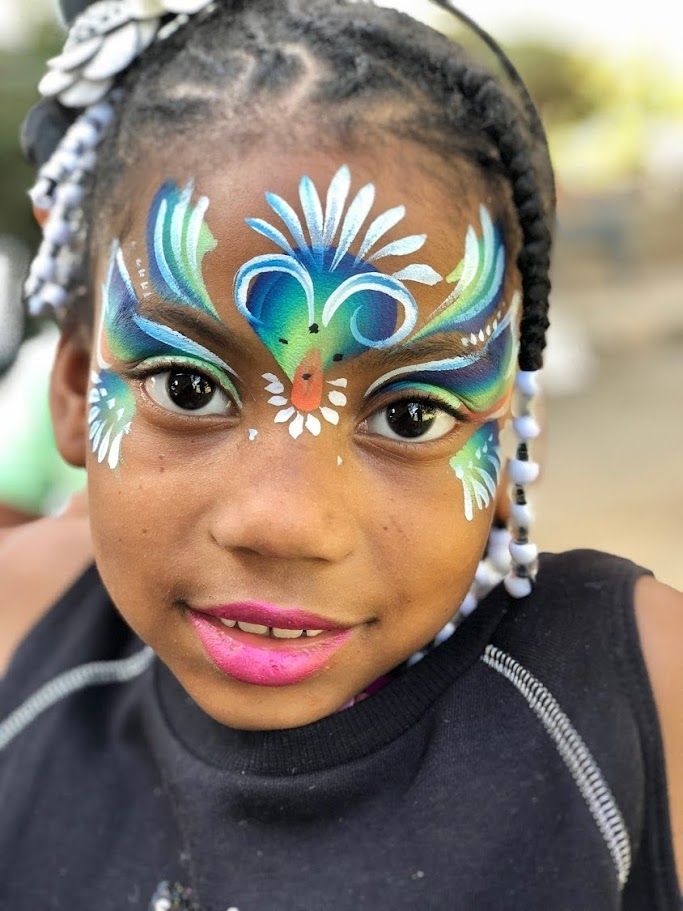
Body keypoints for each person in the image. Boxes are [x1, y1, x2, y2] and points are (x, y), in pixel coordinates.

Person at [0, 1, 680, 908]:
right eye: (189, 387)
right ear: (80, 392)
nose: (284, 522)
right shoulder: (25, 632)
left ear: (514, 433)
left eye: (408, 414)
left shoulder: (639, 703)